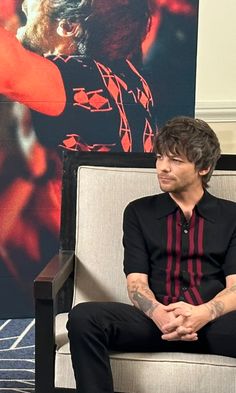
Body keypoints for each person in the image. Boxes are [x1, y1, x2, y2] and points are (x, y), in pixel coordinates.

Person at [66, 116, 236, 393]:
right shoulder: (138, 212)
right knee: (84, 317)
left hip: (210, 325)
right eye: (160, 158)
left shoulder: (232, 216)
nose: (162, 168)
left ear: (204, 167)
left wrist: (203, 314)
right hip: (154, 323)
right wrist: (158, 314)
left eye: (176, 161)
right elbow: (136, 284)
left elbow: (235, 287)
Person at [0, 0, 157, 153]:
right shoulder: (127, 78)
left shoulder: (86, 82)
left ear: (68, 26)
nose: (24, 3)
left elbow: (9, 69)